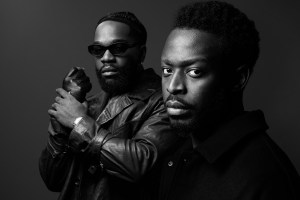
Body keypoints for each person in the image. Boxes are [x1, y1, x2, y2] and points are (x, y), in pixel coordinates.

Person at [159, 1, 300, 199]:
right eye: (167, 70)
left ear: (238, 79)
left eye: (194, 72)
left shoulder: (265, 178)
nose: (172, 86)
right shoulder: (177, 151)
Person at [39, 11, 178, 200]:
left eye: (118, 48)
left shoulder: (164, 100)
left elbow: (141, 163)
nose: (106, 58)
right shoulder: (90, 105)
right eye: (98, 50)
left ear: (141, 53)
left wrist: (79, 122)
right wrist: (64, 114)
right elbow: (52, 179)